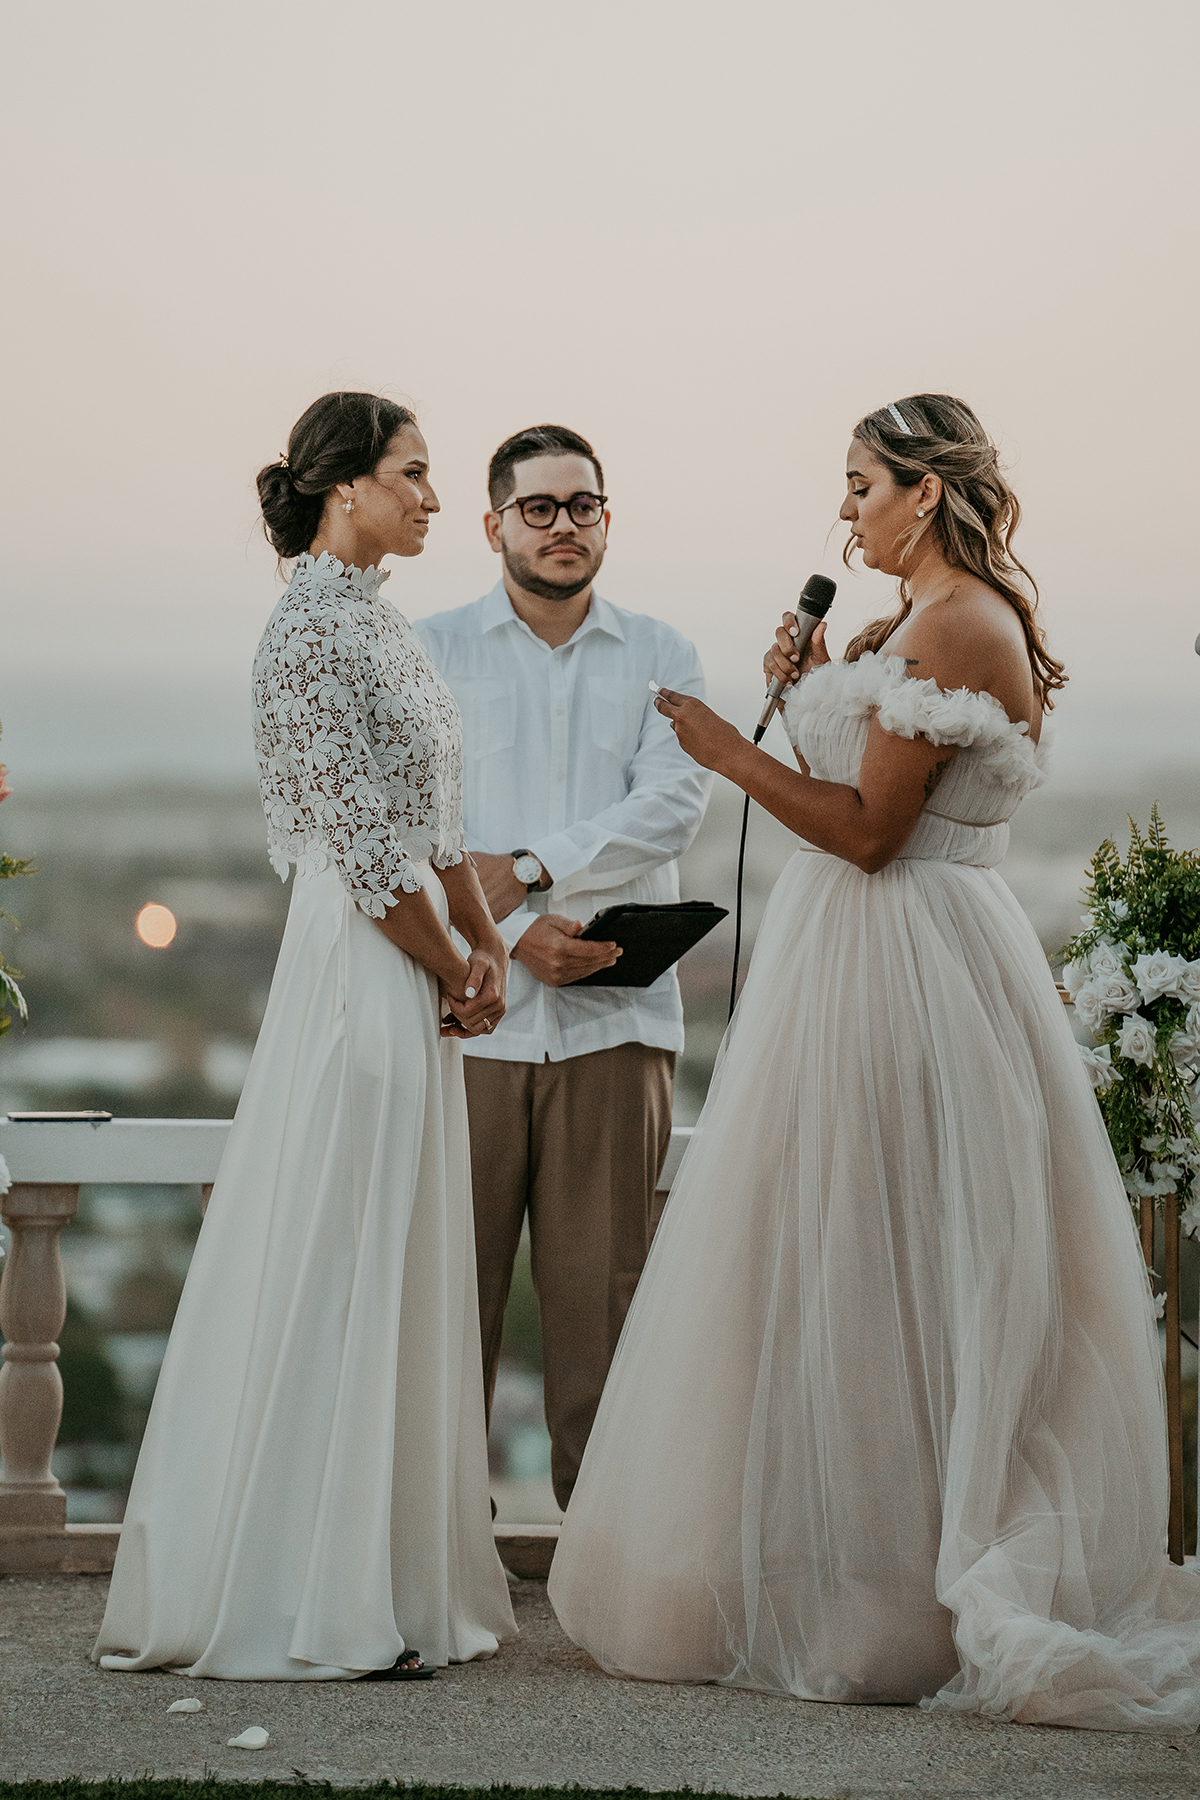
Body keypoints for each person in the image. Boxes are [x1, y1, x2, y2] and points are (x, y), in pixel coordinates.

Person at [549, 394, 1200, 1731]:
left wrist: (730, 752)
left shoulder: (962, 624)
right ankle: (850, 1568)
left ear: (923, 490)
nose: (842, 510)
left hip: (911, 965)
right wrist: (796, 705)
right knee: (843, 1258)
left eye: (859, 485)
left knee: (906, 1253)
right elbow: (851, 794)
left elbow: (867, 837)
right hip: (862, 961)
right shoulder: (915, 622)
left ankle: (905, 1592)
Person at [94, 392, 515, 1681]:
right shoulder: (306, 638)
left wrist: (485, 939)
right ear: (345, 488)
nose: (437, 498)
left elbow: (435, 826)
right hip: (357, 965)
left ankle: (385, 1575)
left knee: (393, 1248)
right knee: (341, 1242)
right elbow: (363, 852)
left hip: (418, 956)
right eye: (416, 474)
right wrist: (452, 960)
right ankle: (310, 1589)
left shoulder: (382, 627)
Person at [416, 424, 711, 1510]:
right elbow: (414, 818)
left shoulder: (662, 652)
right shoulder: (430, 648)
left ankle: (608, 1571)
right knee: (450, 1307)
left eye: (581, 505)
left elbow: (671, 804)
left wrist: (532, 879)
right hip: (464, 1019)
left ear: (606, 519)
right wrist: (501, 936)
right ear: (493, 523)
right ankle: (441, 1554)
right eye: (538, 508)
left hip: (612, 1022)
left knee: (606, 1313)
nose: (562, 526)